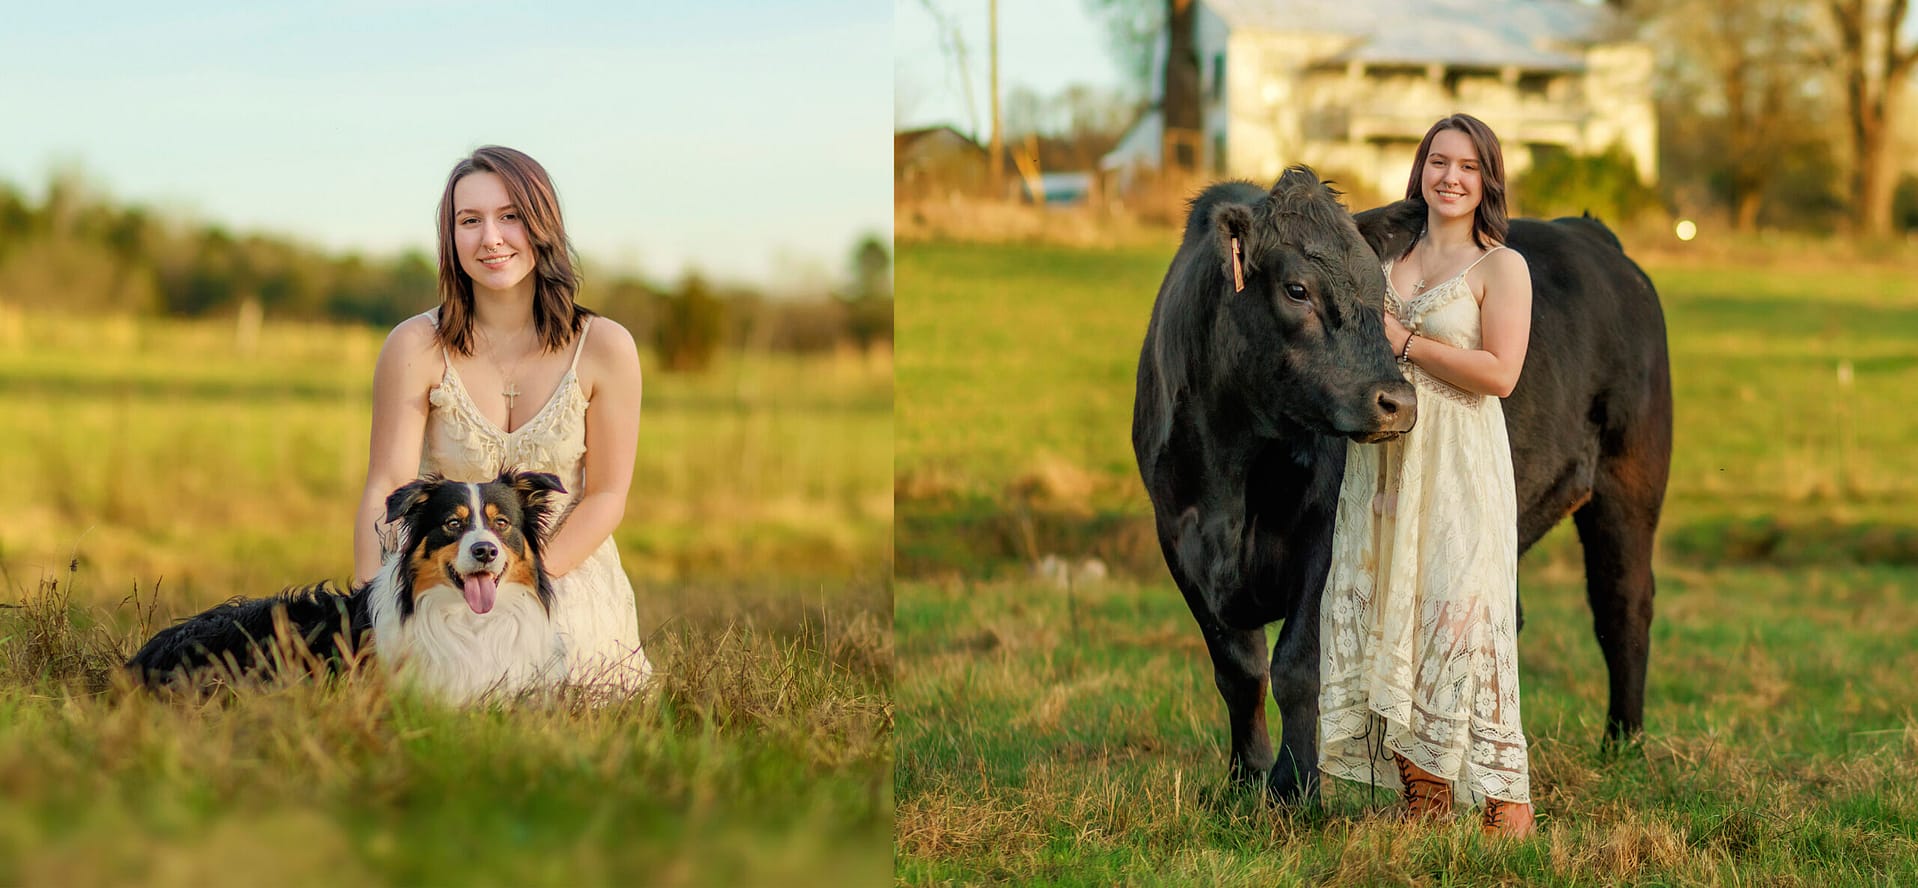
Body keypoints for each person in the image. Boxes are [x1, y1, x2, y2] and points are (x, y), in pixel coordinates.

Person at [352, 145, 653, 695]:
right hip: (441, 582)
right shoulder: (414, 345)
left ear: (542, 225)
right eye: (470, 220)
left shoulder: (606, 346)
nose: (490, 237)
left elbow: (608, 495)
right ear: (451, 237)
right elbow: (386, 485)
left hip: (559, 571)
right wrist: (373, 606)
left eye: (509, 216)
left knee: (560, 687)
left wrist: (523, 580)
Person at [1318, 114, 1537, 837]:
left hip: (1459, 468)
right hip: (1384, 470)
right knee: (1395, 617)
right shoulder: (1385, 263)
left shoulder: (1500, 266)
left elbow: (1500, 374)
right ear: (1420, 171)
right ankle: (1426, 803)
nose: (1450, 177)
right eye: (1439, 162)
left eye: (1468, 167)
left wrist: (1405, 339)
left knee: (1456, 620)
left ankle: (1506, 806)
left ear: (1487, 181)